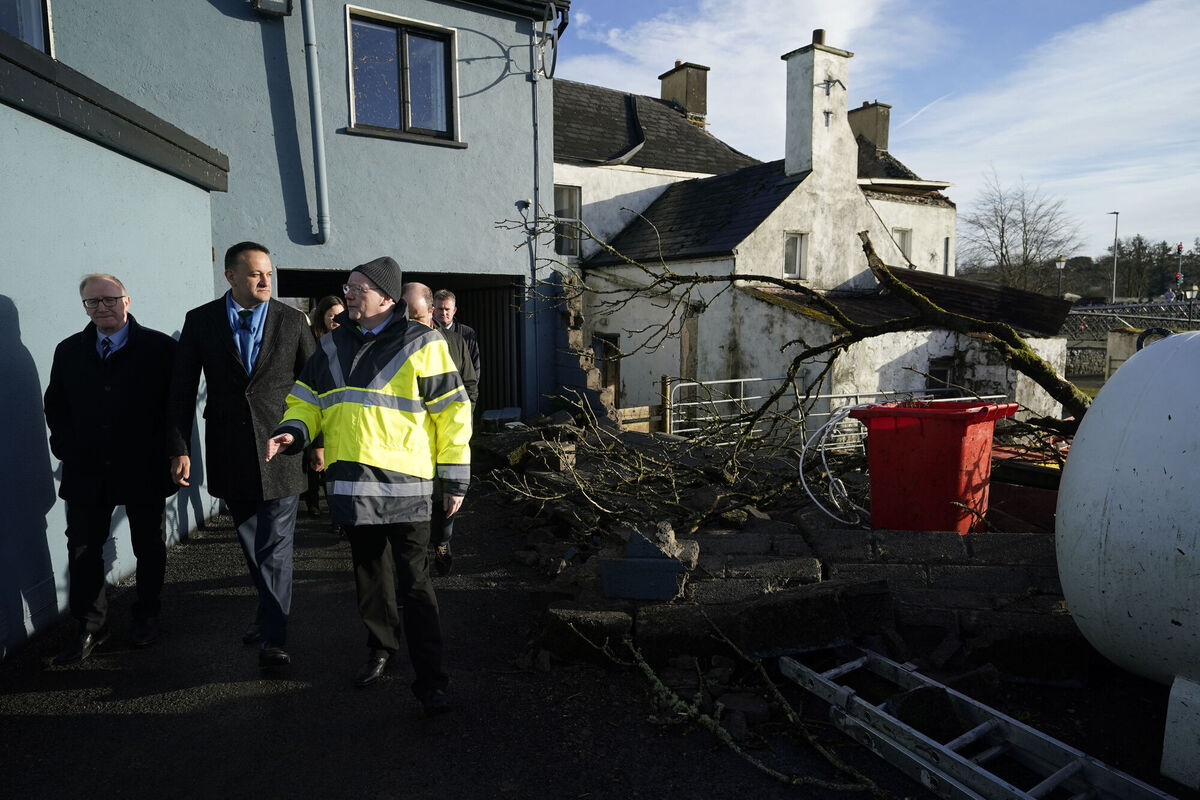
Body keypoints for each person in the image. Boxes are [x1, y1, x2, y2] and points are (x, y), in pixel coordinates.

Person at [265, 257, 471, 717]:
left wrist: (455, 478)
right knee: (369, 578)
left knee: (416, 585)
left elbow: (453, 413)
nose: (350, 294)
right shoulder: (332, 344)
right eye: (348, 286)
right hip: (352, 487)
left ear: (386, 297)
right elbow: (306, 399)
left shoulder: (424, 342)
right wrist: (293, 431)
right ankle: (380, 648)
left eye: (359, 288)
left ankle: (432, 680)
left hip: (407, 489)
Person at [167, 242, 316, 669]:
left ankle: (274, 637)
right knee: (252, 542)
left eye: (269, 273)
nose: (266, 281)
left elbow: (313, 384)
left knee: (276, 546)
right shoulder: (200, 321)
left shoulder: (292, 320)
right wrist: (180, 448)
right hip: (229, 449)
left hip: (282, 449)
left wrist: (314, 441)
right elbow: (180, 391)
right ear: (231, 277)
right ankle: (267, 610)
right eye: (255, 274)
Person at [43, 274, 178, 664]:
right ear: (84, 307)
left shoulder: (159, 348)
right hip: (87, 468)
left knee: (149, 545)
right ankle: (90, 628)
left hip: (144, 467)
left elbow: (175, 407)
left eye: (109, 299)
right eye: (92, 303)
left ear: (127, 300)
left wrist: (175, 452)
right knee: (83, 548)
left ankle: (147, 616)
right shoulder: (69, 350)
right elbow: (56, 405)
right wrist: (65, 446)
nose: (101, 308)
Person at [408, 284, 476, 576]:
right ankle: (416, 552)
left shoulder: (456, 341)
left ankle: (443, 543)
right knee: (422, 497)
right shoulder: (403, 343)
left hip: (447, 432)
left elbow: (470, 382)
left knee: (447, 495)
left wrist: (464, 415)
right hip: (416, 437)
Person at [301, 295, 344, 518]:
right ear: (323, 317)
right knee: (314, 458)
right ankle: (313, 502)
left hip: (339, 411)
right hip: (316, 405)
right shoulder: (314, 342)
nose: (336, 319)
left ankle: (335, 510)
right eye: (331, 315)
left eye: (339, 314)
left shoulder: (348, 340)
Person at [432, 289, 479, 381]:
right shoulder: (425, 333)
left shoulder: (467, 334)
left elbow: (475, 366)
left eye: (447, 309)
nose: (443, 313)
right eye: (440, 309)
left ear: (454, 310)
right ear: (433, 310)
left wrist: (468, 393)